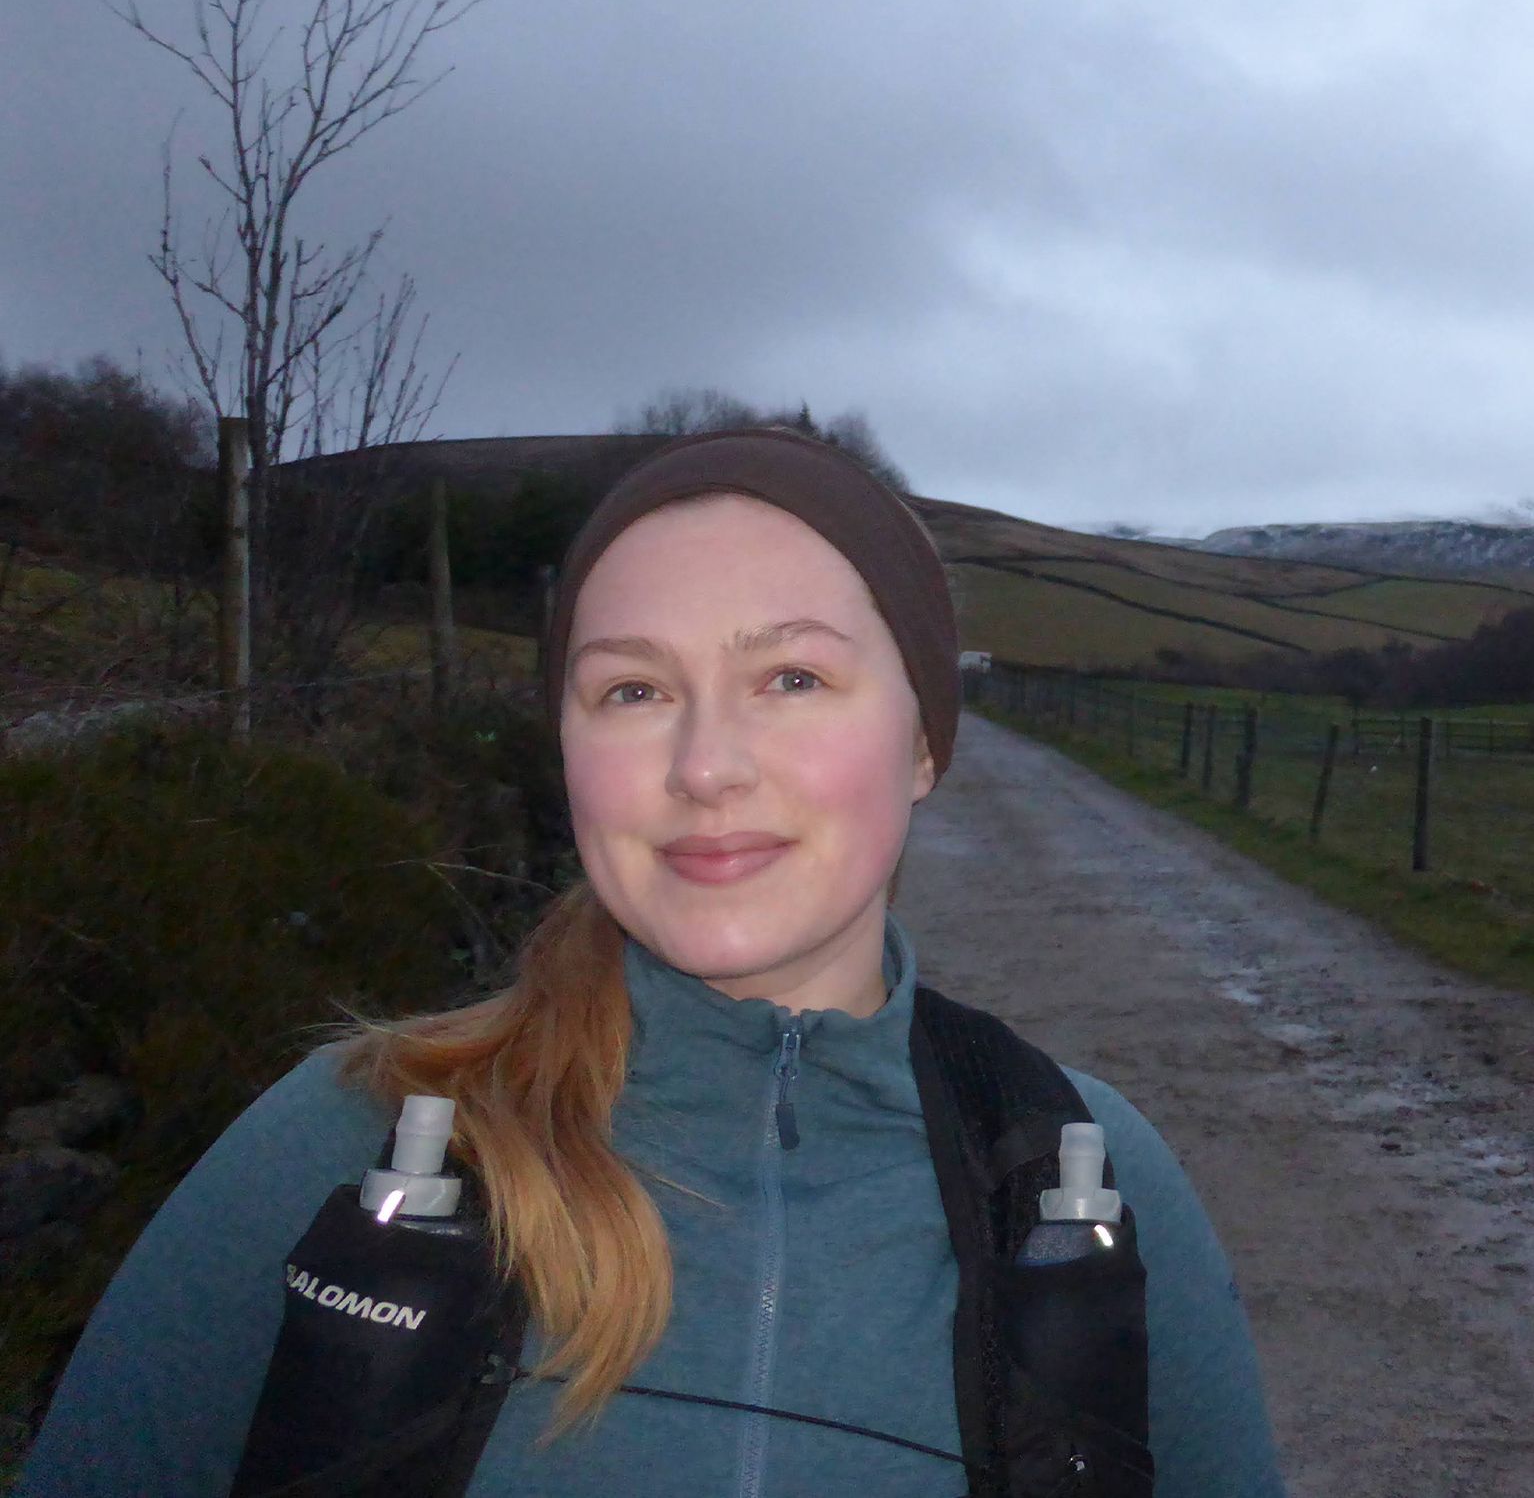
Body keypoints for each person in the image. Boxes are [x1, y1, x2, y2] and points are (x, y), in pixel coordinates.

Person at [17, 427, 1288, 1496]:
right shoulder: (341, 1154)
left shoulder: (1085, 1189)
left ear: (922, 742)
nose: (703, 765)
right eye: (631, 690)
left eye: (791, 676)